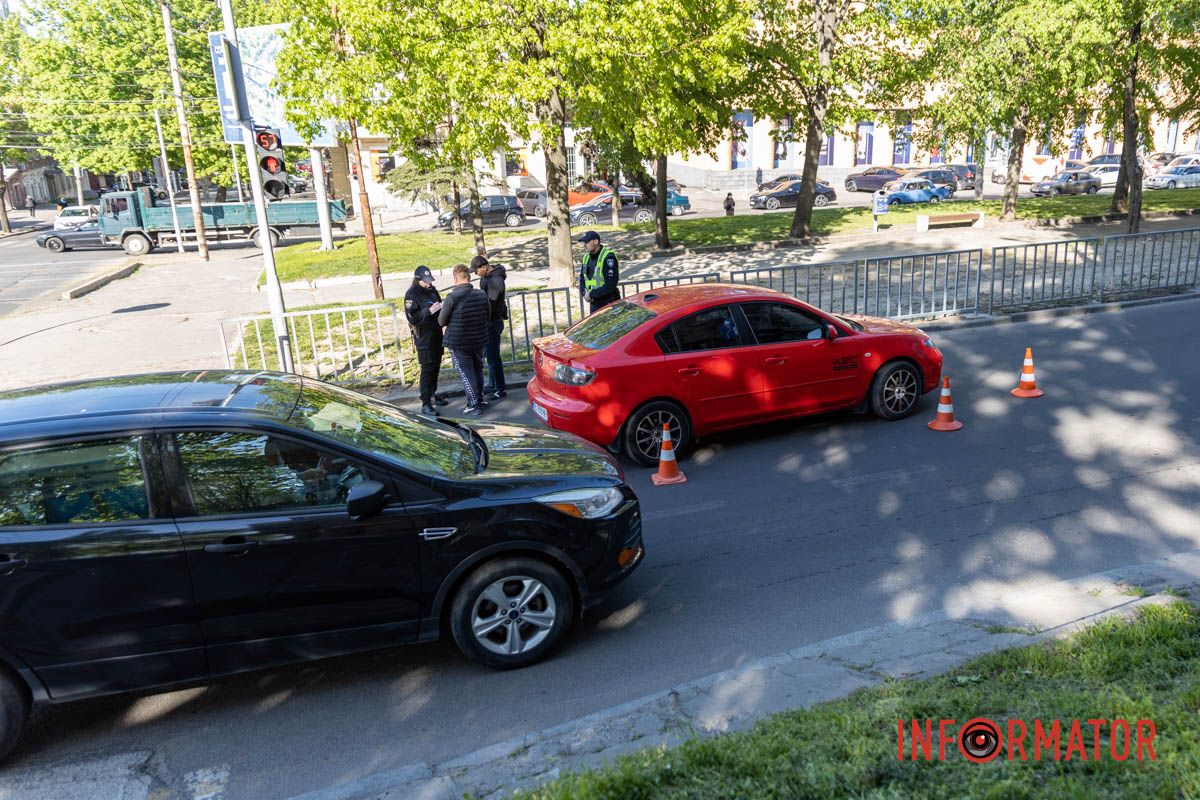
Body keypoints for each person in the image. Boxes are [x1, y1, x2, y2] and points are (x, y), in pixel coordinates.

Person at [438, 263, 491, 415]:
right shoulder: (481, 294)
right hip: (479, 339)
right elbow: (487, 315)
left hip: (458, 341)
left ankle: (474, 404)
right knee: (477, 369)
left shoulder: (452, 297)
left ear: (456, 279)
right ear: (468, 278)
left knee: (466, 373)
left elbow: (441, 321)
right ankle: (479, 399)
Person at [404, 265, 450, 416]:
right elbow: (413, 317)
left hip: (436, 333)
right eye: (425, 281)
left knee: (436, 366)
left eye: (429, 280)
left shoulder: (432, 290)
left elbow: (438, 303)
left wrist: (441, 307)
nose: (429, 283)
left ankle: (432, 393)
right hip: (424, 336)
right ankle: (425, 402)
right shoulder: (412, 294)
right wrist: (428, 311)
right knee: (427, 368)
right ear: (418, 280)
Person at [472, 254, 508, 400]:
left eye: (476, 270)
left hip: (493, 322)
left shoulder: (496, 281)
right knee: (490, 356)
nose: (475, 273)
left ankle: (500, 389)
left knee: (493, 357)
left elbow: (490, 305)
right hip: (488, 322)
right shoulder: (486, 278)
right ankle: (492, 385)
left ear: (484, 267)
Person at [578, 231, 619, 314]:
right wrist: (584, 294)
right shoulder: (586, 257)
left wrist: (591, 295)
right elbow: (582, 278)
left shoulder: (608, 257)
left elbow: (611, 284)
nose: (584, 245)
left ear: (596, 241)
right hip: (594, 302)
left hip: (608, 302)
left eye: (587, 242)